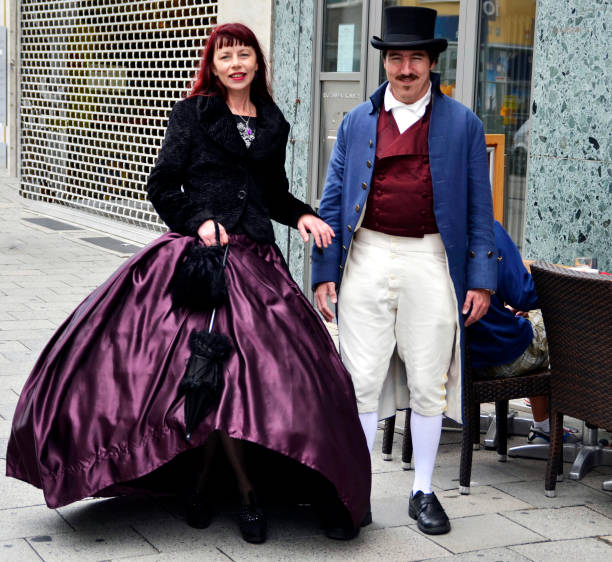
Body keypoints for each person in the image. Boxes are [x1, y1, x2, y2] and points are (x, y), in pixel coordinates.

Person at [7, 23, 370, 544]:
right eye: (226, 56)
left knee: (271, 379)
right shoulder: (193, 113)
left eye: (245, 54)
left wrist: (305, 216)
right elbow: (161, 185)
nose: (236, 63)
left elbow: (274, 194)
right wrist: (199, 220)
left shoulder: (272, 122)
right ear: (214, 65)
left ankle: (213, 484)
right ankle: (240, 493)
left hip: (257, 261)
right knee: (203, 376)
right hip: (198, 262)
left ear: (257, 64)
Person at [312, 7, 496, 536]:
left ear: (432, 63)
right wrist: (326, 272)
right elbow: (331, 202)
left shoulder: (463, 123)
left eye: (416, 57)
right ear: (385, 63)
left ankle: (422, 490)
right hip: (366, 254)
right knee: (360, 378)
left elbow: (481, 210)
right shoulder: (356, 121)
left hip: (431, 258)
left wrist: (481, 278)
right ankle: (356, 492)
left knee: (428, 380)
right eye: (396, 57)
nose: (406, 67)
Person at [468, 221, 577, 444]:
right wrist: (570, 281)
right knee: (554, 322)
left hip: (455, 363)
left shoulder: (429, 234)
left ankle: (543, 425)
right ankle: (550, 425)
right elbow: (524, 295)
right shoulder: (487, 231)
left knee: (525, 319)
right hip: (500, 356)